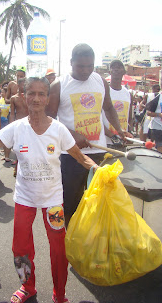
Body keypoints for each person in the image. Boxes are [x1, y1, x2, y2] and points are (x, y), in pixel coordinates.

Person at [0, 77, 99, 303]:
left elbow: (82, 159)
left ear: (48, 98)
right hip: (25, 199)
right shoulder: (15, 129)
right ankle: (27, 287)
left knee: (59, 251)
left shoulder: (59, 130)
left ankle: (59, 295)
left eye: (42, 94)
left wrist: (101, 170)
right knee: (20, 248)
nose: (37, 98)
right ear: (24, 96)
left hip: (53, 202)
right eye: (31, 93)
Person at [46, 43, 125, 227]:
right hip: (70, 155)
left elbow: (109, 108)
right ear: (71, 62)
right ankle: (70, 240)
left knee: (98, 202)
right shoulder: (59, 85)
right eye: (80, 66)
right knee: (71, 202)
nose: (86, 71)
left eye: (90, 66)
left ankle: (91, 241)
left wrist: (118, 129)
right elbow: (49, 118)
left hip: (98, 153)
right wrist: (71, 135)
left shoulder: (99, 81)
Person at [103, 60, 133, 147]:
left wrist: (129, 132)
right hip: (107, 142)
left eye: (119, 67)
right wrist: (111, 136)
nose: (116, 69)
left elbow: (129, 118)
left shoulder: (128, 93)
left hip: (122, 140)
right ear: (109, 72)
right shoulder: (104, 91)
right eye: (113, 67)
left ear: (124, 72)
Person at [9, 77, 29, 176]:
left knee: (28, 148)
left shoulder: (30, 97)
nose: (24, 86)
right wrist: (10, 127)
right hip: (18, 125)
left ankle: (25, 168)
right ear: (18, 85)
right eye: (22, 84)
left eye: (26, 84)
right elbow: (12, 113)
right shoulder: (14, 98)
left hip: (29, 125)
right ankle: (17, 167)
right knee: (18, 148)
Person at [145, 86, 162, 152]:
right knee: (160, 146)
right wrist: (159, 114)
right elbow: (148, 112)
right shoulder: (157, 97)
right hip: (158, 127)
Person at [0, 81, 11, 162]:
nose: (1, 93)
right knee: (3, 139)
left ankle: (7, 156)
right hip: (1, 121)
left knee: (8, 140)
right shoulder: (1, 100)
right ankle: (5, 154)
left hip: (8, 121)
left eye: (3, 92)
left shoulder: (10, 100)